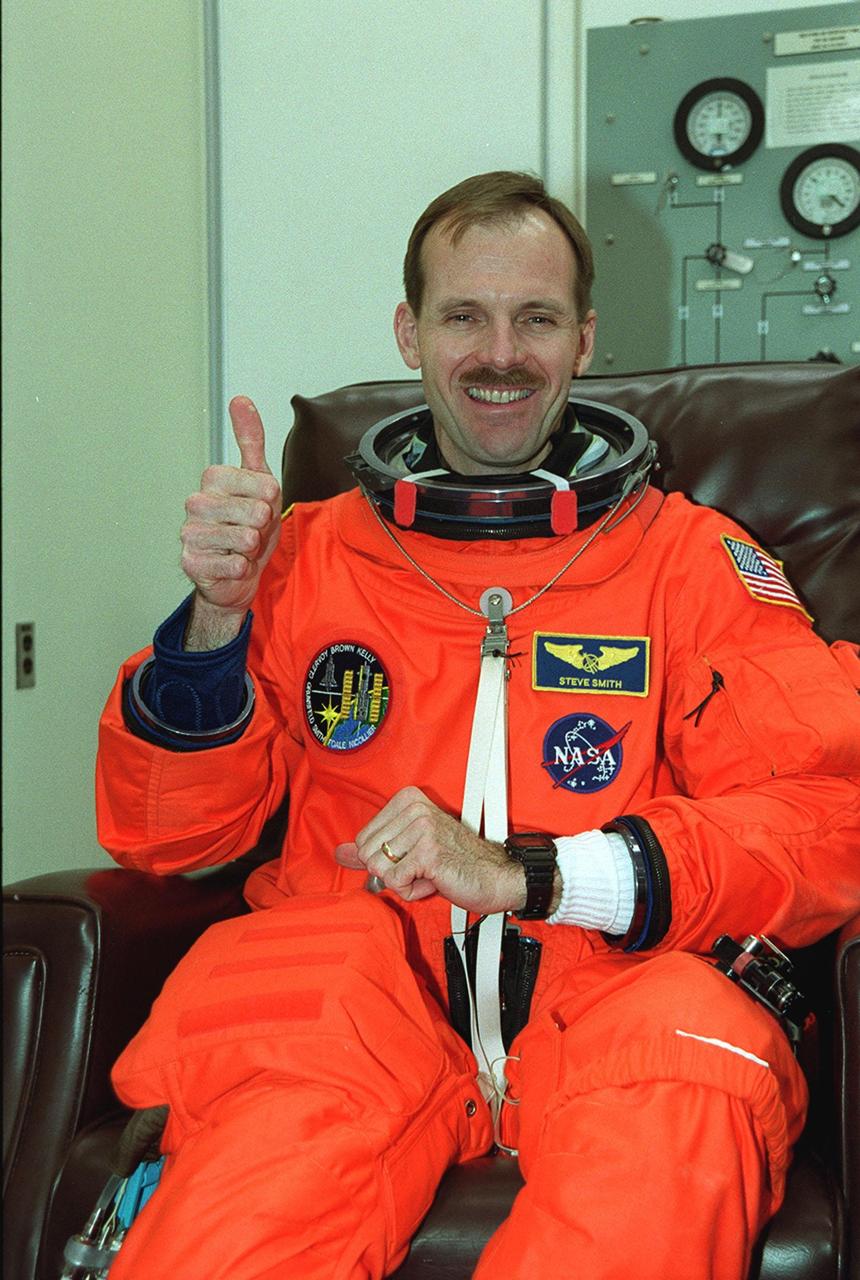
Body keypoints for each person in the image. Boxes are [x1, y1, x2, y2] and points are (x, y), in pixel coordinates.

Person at [96, 171, 860, 1280]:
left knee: (687, 1078)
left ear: (583, 338)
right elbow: (168, 839)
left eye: (535, 317)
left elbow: (828, 809)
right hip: (342, 1005)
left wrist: (545, 876)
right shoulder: (299, 557)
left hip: (617, 997)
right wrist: (215, 619)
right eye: (464, 314)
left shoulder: (688, 562)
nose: (499, 353)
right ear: (409, 331)